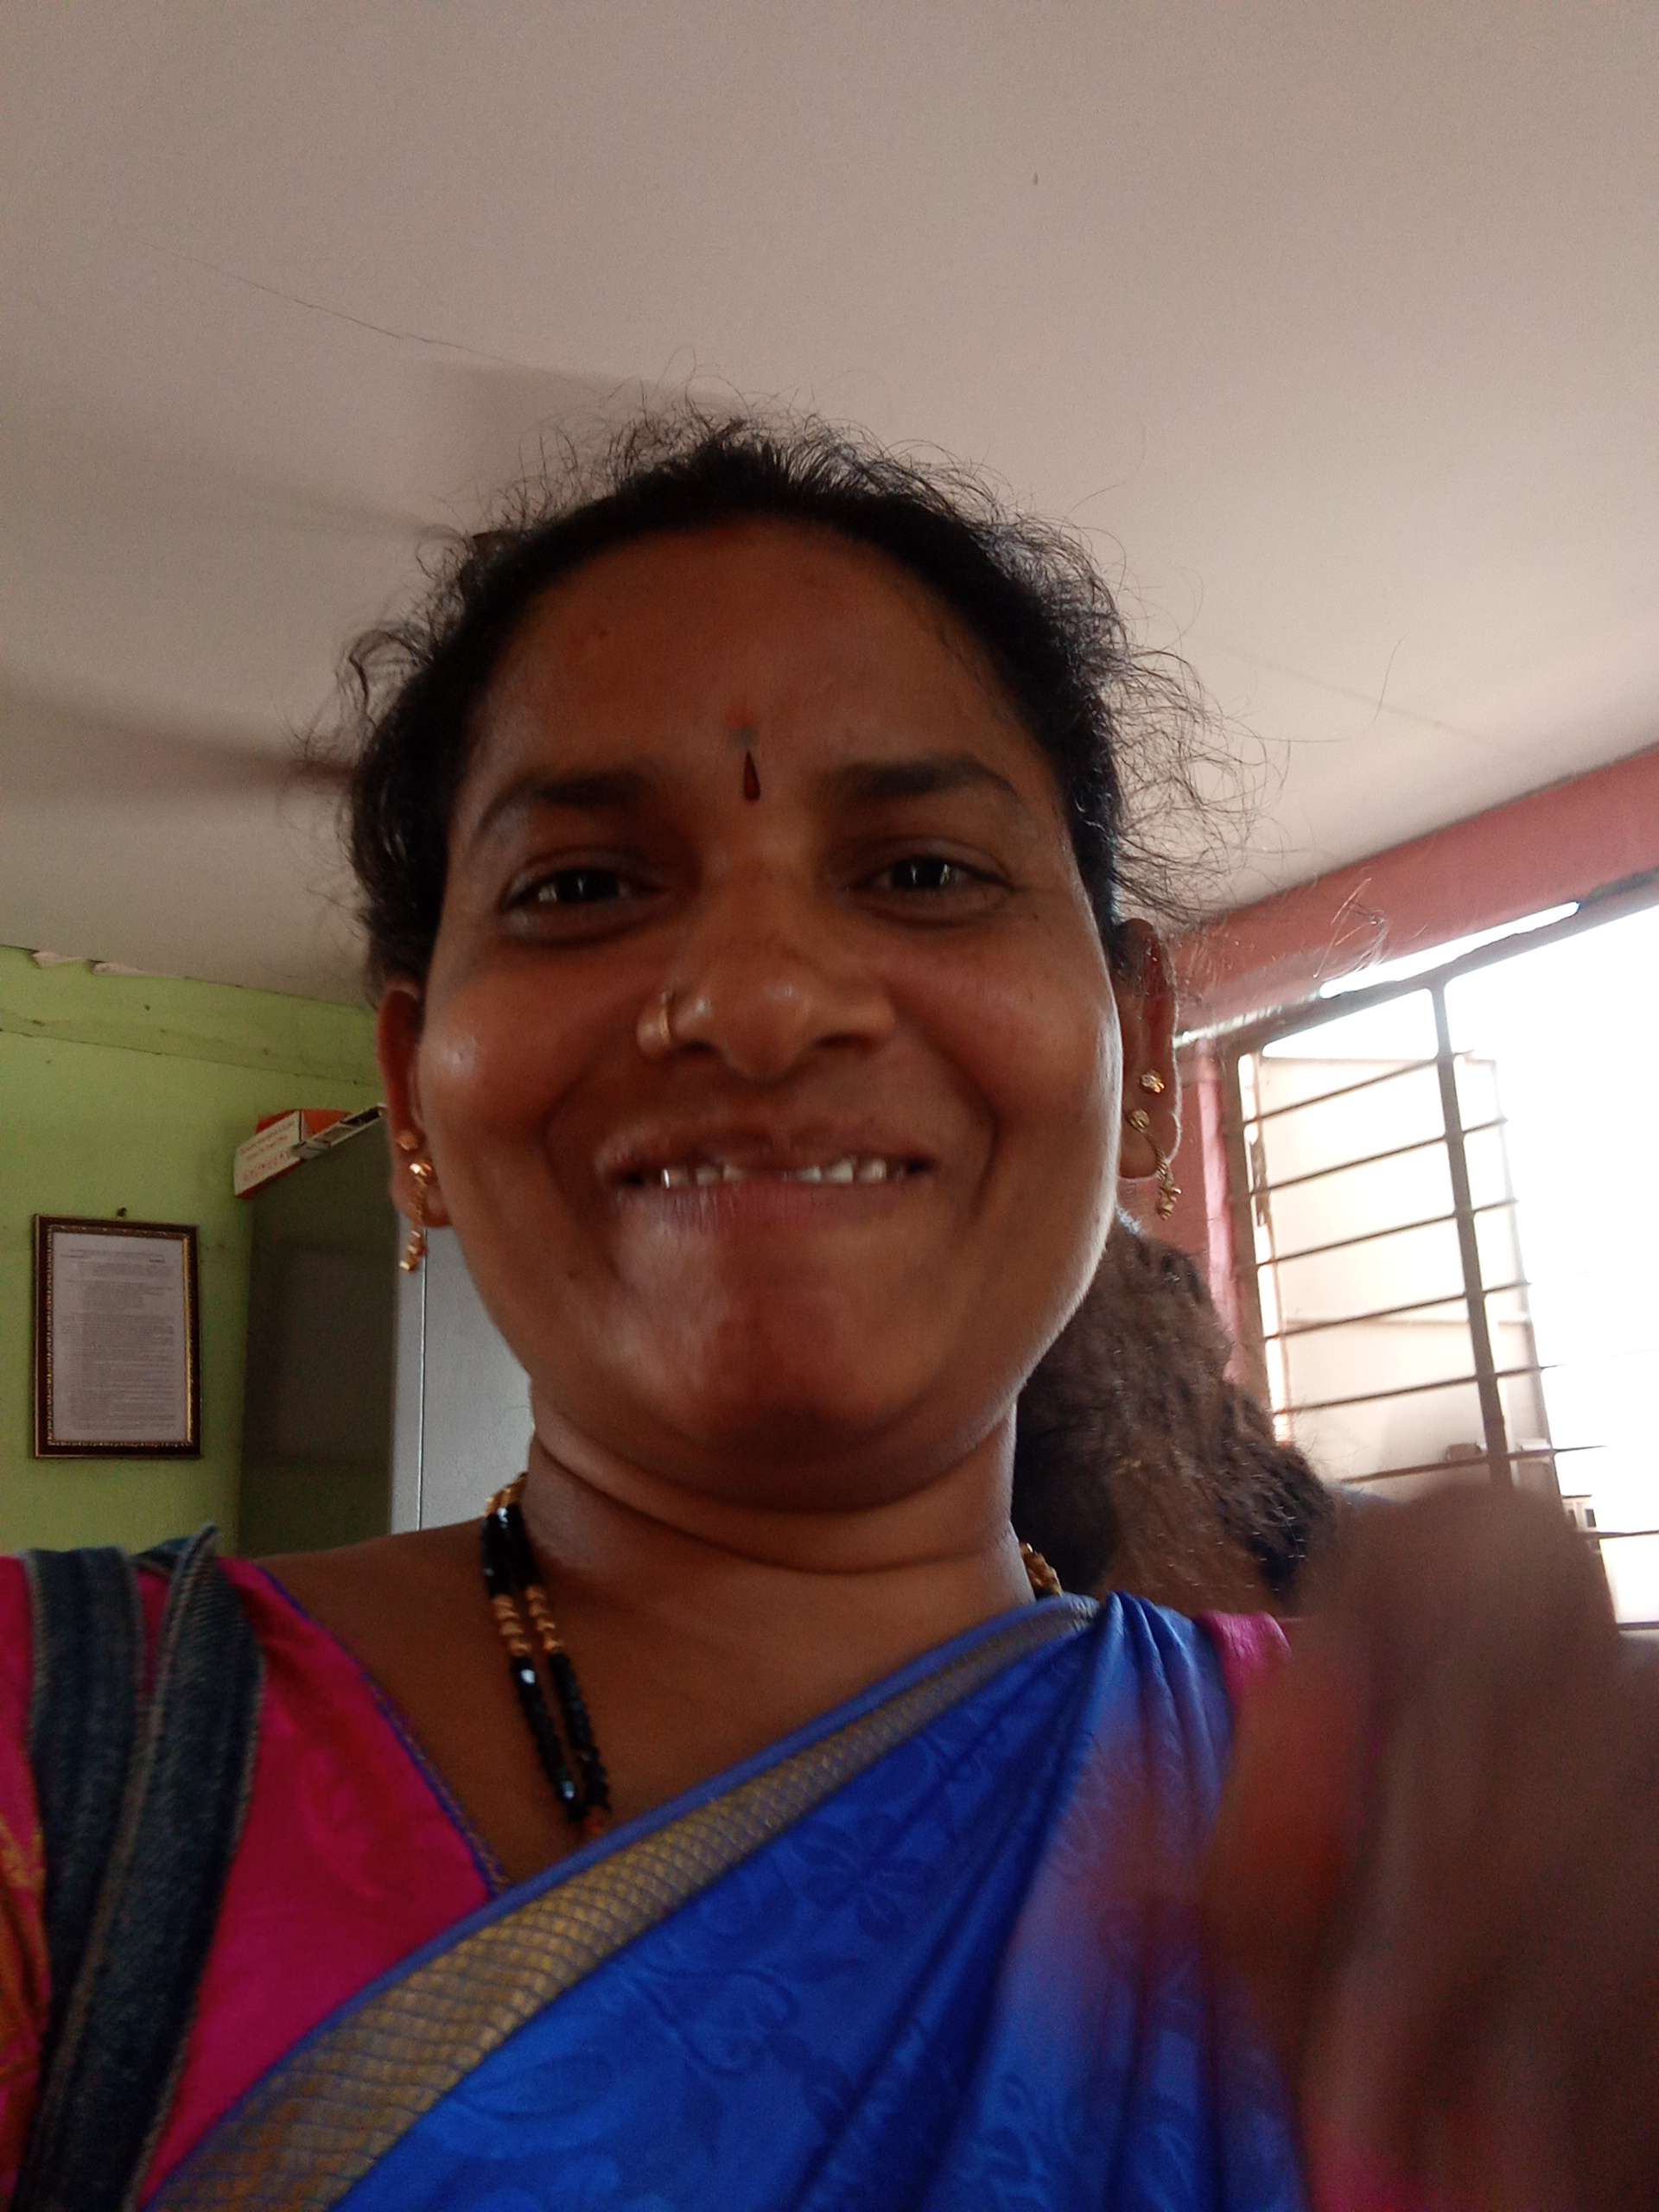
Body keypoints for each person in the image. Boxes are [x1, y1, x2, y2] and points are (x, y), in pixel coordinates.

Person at [3, 412, 1655, 2210]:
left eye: (924, 873)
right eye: (582, 888)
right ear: (410, 1098)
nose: (762, 1002)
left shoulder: (1414, 1843)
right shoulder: (67, 1764)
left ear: (1141, 1049)